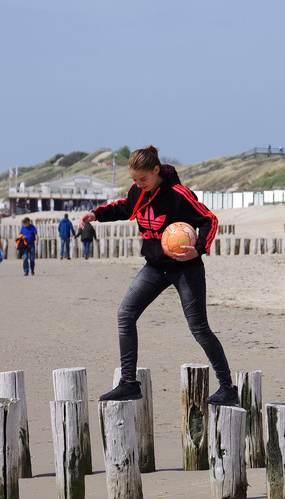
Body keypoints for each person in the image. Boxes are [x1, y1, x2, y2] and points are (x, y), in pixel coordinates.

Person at [81, 145, 237, 406]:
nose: (138, 185)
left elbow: (209, 220)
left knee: (198, 328)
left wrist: (198, 249)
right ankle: (129, 383)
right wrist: (96, 214)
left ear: (156, 170)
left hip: (186, 268)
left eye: (143, 179)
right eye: (134, 180)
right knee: (125, 315)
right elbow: (123, 208)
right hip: (154, 267)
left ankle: (227, 387)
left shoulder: (179, 195)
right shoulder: (137, 192)